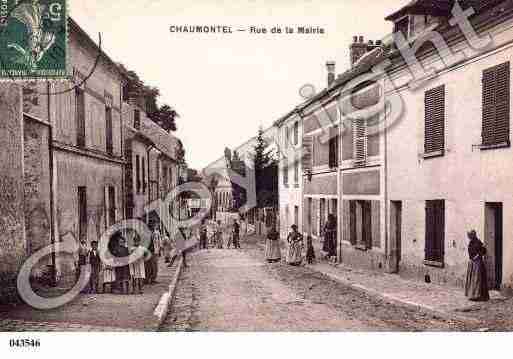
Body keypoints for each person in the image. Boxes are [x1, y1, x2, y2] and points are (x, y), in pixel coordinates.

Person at [465, 230, 490, 302]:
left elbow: (484, 251)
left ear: (473, 235)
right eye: (468, 236)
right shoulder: (471, 242)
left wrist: (478, 255)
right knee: (473, 279)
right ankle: (473, 295)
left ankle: (479, 295)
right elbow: (470, 251)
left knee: (478, 279)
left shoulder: (478, 242)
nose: (469, 237)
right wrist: (472, 258)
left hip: (478, 263)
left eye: (470, 235)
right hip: (472, 263)